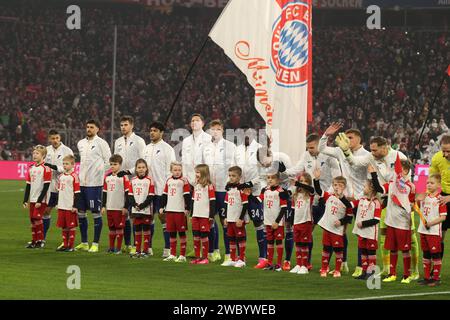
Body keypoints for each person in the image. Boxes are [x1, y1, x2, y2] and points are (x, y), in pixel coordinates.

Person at [336, 135, 419, 279]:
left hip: (402, 203)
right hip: (383, 201)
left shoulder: (399, 156)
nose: (372, 153)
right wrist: (346, 152)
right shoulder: (371, 158)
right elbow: (354, 162)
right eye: (371, 150)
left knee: (410, 239)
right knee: (384, 237)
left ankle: (414, 270)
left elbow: (405, 180)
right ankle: (388, 269)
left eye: (375, 150)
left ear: (384, 147)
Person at [283, 134, 341, 271]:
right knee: (308, 231)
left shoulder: (329, 156)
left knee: (332, 231)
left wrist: (328, 194)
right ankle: (306, 263)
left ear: (318, 145)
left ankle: (339, 263)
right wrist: (284, 171)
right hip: (311, 199)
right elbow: (297, 169)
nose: (309, 150)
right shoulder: (306, 155)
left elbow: (337, 176)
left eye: (312, 147)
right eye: (308, 148)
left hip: (326, 198)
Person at [318, 123, 370, 277]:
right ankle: (344, 263)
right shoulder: (340, 152)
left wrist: (359, 197)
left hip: (361, 199)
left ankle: (361, 266)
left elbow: (368, 180)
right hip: (344, 198)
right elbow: (322, 149)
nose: (346, 140)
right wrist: (325, 135)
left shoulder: (366, 155)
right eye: (345, 137)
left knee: (362, 233)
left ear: (359, 140)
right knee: (340, 231)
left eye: (350, 138)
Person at [371, 156, 416, 284]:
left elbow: (413, 205)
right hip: (391, 222)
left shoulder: (409, 187)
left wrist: (405, 203)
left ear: (406, 171)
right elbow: (379, 189)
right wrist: (373, 174)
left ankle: (407, 275)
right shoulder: (391, 184)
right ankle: (392, 273)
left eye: (398, 170)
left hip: (402, 223)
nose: (395, 172)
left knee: (405, 250)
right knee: (393, 249)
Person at [203, 119, 236, 264]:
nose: (214, 132)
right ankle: (213, 251)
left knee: (225, 222)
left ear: (222, 130)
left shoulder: (230, 146)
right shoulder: (206, 147)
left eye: (217, 129)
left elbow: (234, 167)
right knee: (210, 220)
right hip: (209, 189)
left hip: (223, 189)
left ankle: (229, 254)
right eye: (212, 129)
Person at [75, 119, 111, 253]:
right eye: (87, 127)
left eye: (91, 127)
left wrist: (99, 172)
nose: (88, 129)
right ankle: (84, 242)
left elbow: (109, 161)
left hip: (94, 184)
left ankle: (95, 243)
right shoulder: (81, 143)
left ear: (97, 129)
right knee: (81, 213)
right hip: (82, 183)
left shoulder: (102, 143)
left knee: (96, 213)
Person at [234, 126, 267, 268]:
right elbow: (233, 169)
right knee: (239, 223)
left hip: (254, 193)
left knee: (258, 223)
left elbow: (264, 173)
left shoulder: (260, 149)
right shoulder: (238, 149)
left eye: (249, 134)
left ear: (254, 135)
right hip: (241, 193)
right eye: (244, 134)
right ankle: (241, 257)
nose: (247, 136)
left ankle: (263, 256)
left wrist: (251, 184)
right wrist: (237, 185)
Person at [181, 114, 213, 258]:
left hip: (204, 181)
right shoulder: (186, 140)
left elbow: (209, 160)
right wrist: (186, 177)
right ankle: (197, 250)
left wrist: (206, 178)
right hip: (191, 181)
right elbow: (184, 160)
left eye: (197, 120)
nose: (194, 122)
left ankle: (213, 250)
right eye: (192, 120)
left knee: (208, 217)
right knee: (196, 216)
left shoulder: (207, 138)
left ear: (203, 123)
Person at [114, 116, 146, 254]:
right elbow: (116, 160)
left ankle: (136, 244)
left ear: (132, 125)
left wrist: (131, 172)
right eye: (121, 125)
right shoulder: (118, 142)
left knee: (135, 213)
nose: (123, 127)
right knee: (124, 213)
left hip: (135, 181)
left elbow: (142, 161)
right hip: (121, 181)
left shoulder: (139, 141)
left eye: (125, 125)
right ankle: (127, 244)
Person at [144, 121, 176, 257]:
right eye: (151, 130)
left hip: (162, 190)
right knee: (148, 218)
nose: (152, 133)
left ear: (161, 133)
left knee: (163, 218)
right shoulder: (146, 148)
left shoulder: (168, 149)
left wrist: (167, 189)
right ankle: (148, 247)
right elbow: (142, 168)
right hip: (148, 191)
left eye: (155, 130)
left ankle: (167, 249)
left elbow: (171, 170)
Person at [313, 169, 353, 278]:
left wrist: (341, 222)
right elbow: (318, 190)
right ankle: (324, 269)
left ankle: (337, 270)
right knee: (326, 248)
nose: (337, 187)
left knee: (338, 251)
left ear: (344, 187)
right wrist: (316, 179)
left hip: (337, 230)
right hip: (327, 228)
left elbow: (349, 217)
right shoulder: (328, 196)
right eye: (335, 185)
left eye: (340, 185)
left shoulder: (347, 202)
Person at [251, 172, 289, 272]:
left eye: (272, 178)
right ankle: (270, 263)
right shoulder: (265, 190)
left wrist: (277, 221)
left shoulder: (281, 192)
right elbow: (258, 200)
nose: (270, 180)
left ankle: (279, 264)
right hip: (267, 222)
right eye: (268, 178)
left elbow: (284, 208)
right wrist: (249, 195)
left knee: (279, 242)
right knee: (270, 242)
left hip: (278, 223)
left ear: (278, 180)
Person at [43, 129, 74, 244]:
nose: (55, 140)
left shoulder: (67, 150)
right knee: (46, 212)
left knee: (65, 214)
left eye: (57, 138)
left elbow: (71, 167)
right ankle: (43, 238)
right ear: (49, 139)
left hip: (64, 187)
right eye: (53, 138)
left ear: (60, 138)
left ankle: (66, 241)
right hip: (50, 187)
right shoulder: (46, 150)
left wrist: (55, 167)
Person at [350, 170, 382, 280]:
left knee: (370, 253)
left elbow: (376, 219)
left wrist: (362, 223)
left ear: (371, 189)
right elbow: (350, 205)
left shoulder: (376, 202)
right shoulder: (361, 199)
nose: (363, 188)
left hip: (370, 233)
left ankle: (372, 273)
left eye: (365, 186)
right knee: (363, 252)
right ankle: (364, 272)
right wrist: (340, 198)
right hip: (361, 232)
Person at [416, 174, 447, 287]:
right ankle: (427, 277)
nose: (429, 184)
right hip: (423, 231)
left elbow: (443, 217)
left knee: (435, 255)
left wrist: (431, 223)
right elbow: (414, 208)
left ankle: (436, 278)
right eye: (427, 182)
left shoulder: (440, 199)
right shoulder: (424, 197)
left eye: (432, 183)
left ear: (438, 185)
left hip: (433, 232)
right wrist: (417, 200)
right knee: (426, 254)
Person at [160, 161, 191, 262]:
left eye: (179, 170)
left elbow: (187, 196)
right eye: (175, 170)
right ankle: (172, 254)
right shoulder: (168, 180)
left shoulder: (184, 181)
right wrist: (161, 206)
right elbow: (164, 195)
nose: (177, 172)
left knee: (181, 233)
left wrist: (187, 208)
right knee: (172, 233)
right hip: (170, 210)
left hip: (180, 211)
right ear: (171, 171)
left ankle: (182, 256)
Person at [23, 145, 52, 249]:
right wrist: (25, 200)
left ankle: (40, 240)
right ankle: (34, 240)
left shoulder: (46, 168)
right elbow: (28, 185)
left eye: (37, 153)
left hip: (41, 200)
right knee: (32, 220)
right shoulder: (31, 168)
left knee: (37, 218)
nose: (34, 155)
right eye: (34, 153)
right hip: (33, 199)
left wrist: (40, 200)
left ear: (43, 155)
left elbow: (46, 185)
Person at [101, 154, 130, 254]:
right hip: (110, 207)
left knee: (119, 228)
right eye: (111, 164)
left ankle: (118, 248)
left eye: (115, 164)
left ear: (120, 165)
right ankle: (111, 247)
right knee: (111, 228)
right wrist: (104, 206)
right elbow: (104, 192)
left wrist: (126, 207)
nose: (113, 166)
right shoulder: (107, 177)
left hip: (119, 207)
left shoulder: (124, 177)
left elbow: (128, 193)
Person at [222, 166, 249, 268]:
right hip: (230, 218)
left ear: (239, 177)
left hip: (238, 219)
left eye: (233, 176)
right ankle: (233, 259)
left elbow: (245, 204)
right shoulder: (228, 189)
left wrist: (241, 218)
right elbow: (226, 204)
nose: (231, 177)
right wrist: (225, 217)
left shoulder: (242, 189)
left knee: (240, 239)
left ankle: (242, 259)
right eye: (229, 175)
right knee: (231, 238)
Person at [289, 173, 315, 275]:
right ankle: (299, 264)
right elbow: (293, 210)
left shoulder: (309, 194)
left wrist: (298, 183)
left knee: (304, 245)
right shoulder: (295, 195)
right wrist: (291, 223)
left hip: (306, 222)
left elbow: (311, 189)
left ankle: (305, 265)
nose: (302, 183)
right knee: (298, 244)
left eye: (305, 181)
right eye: (301, 181)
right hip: (297, 223)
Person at [128, 159, 155, 258]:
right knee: (137, 229)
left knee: (146, 229)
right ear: (135, 169)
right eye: (139, 167)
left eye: (143, 167)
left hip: (146, 210)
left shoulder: (149, 180)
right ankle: (138, 250)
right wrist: (135, 205)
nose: (141, 169)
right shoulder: (133, 180)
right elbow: (130, 195)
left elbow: (151, 196)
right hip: (136, 209)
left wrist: (142, 205)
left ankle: (146, 251)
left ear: (146, 168)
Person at [190, 164, 216, 265]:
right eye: (196, 172)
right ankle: (198, 257)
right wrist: (191, 215)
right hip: (196, 215)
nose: (196, 174)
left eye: (198, 172)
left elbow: (212, 201)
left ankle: (205, 258)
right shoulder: (196, 186)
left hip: (204, 216)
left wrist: (211, 216)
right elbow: (193, 200)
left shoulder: (209, 186)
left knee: (204, 236)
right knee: (196, 236)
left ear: (204, 174)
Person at [429, 135, 450, 258]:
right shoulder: (437, 158)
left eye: (448, 151)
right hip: (442, 198)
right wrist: (424, 195)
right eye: (444, 151)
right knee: (439, 235)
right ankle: (436, 270)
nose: (445, 154)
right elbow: (430, 178)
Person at [55, 155, 80, 252]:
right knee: (64, 226)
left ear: (73, 165)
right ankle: (65, 245)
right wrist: (57, 203)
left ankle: (71, 246)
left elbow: (77, 193)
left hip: (70, 206)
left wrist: (75, 206)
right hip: (62, 205)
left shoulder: (74, 176)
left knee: (71, 226)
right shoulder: (61, 176)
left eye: (67, 164)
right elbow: (59, 191)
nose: (65, 166)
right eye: (64, 164)